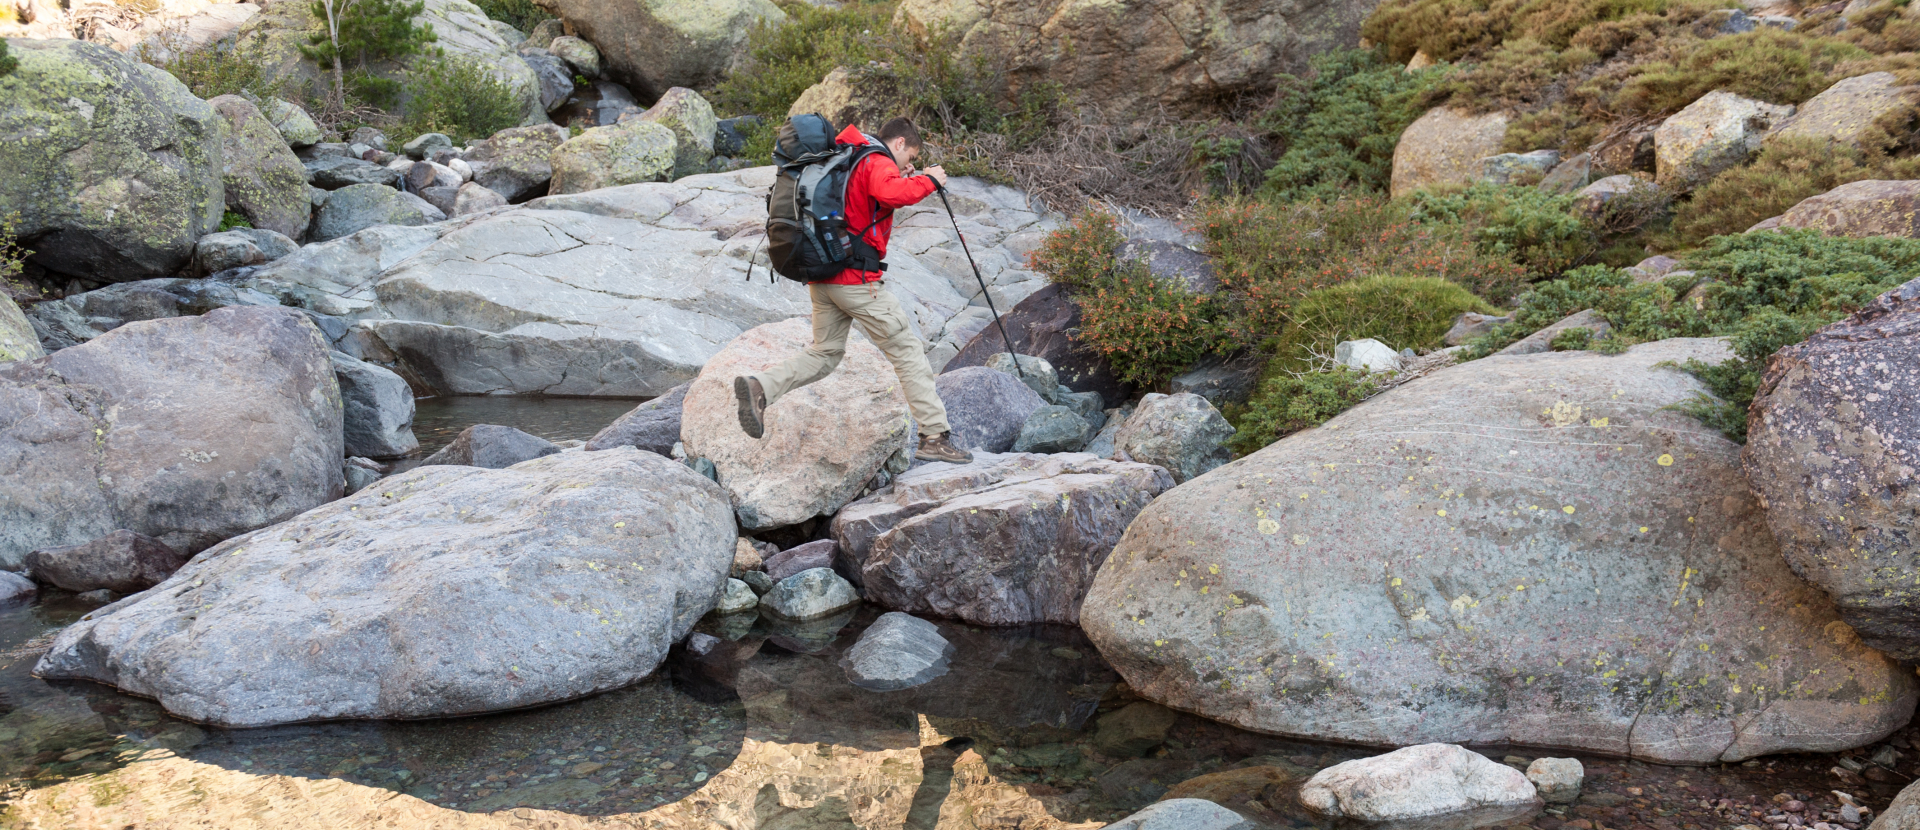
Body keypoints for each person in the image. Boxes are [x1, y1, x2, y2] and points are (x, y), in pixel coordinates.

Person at [734, 117, 976, 464]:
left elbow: (870, 203)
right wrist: (929, 180)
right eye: (910, 158)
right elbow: (892, 192)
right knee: (908, 353)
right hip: (856, 281)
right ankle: (934, 436)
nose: (909, 165)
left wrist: (905, 178)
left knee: (825, 354)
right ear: (899, 144)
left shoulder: (848, 158)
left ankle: (761, 386)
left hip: (823, 277)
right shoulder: (876, 160)